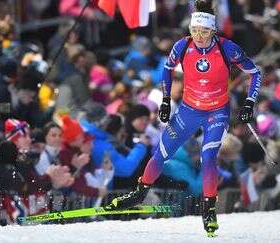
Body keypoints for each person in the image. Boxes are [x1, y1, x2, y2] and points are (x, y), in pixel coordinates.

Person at [105, 0, 262, 236]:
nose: (199, 36)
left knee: (208, 158)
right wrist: (166, 100)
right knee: (161, 154)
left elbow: (255, 72)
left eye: (205, 31)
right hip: (189, 110)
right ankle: (139, 193)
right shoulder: (182, 45)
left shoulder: (227, 48)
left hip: (216, 112)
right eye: (195, 30)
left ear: (213, 30)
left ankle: (208, 209)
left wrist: (250, 102)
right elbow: (167, 70)